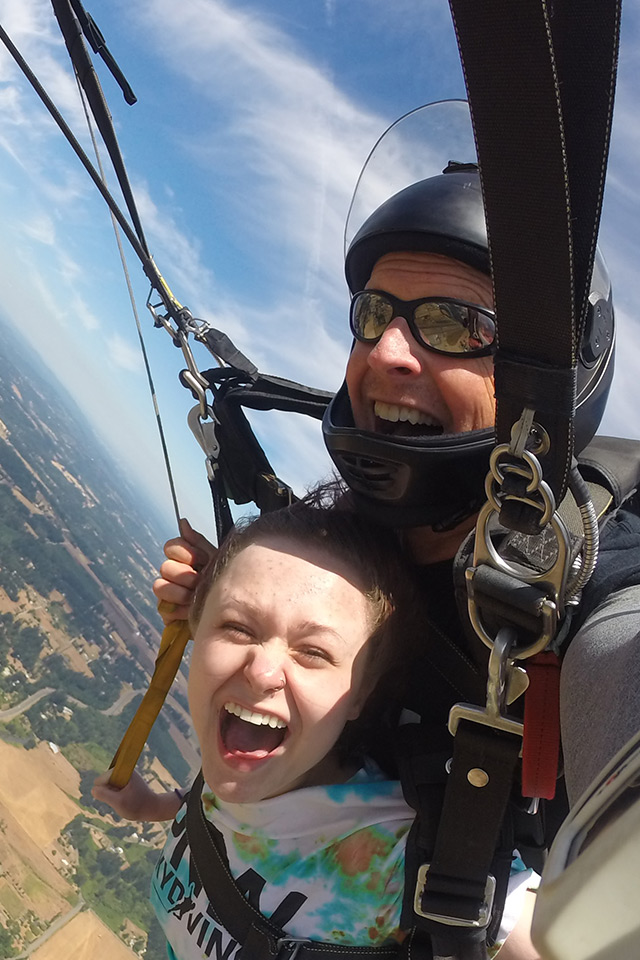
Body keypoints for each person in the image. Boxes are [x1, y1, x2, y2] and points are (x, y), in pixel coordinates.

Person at [156, 165, 640, 811]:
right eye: (376, 313)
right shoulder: (348, 543)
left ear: (551, 387)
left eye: (458, 325)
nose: (385, 350)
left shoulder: (586, 580)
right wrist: (242, 613)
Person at [94, 495, 540, 959]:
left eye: (313, 652)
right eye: (238, 627)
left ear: (361, 694)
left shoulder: (398, 859)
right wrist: (152, 807)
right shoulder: (246, 757)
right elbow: (233, 822)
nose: (261, 671)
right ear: (197, 629)